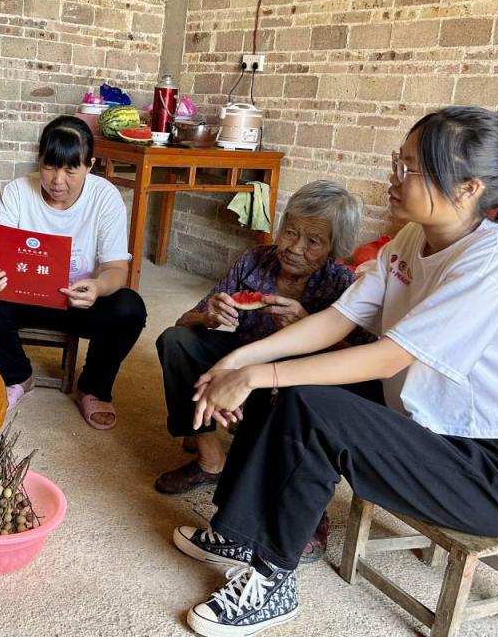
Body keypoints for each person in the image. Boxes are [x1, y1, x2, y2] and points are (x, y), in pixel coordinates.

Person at [172, 106, 498, 637]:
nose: (393, 176)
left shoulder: (497, 257)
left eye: (411, 167)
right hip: (428, 422)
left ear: (468, 188)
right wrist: (238, 361)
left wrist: (257, 376)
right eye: (400, 160)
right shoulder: (411, 240)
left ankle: (273, 578)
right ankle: (239, 534)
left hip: (493, 472)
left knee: (312, 405)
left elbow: (392, 356)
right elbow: (339, 318)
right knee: (295, 383)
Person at [156, 180, 375, 561]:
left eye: (313, 241)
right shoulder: (254, 260)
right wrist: (207, 316)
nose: (294, 247)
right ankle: (210, 461)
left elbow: (360, 363)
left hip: (297, 379)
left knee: (306, 402)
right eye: (290, 231)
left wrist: (308, 328)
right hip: (241, 360)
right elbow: (185, 319)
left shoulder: (342, 285)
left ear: (334, 248)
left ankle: (306, 507)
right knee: (177, 341)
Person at [0, 115, 147, 428]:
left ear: (89, 165)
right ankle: (17, 376)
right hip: (22, 298)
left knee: (130, 308)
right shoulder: (17, 192)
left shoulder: (105, 197)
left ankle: (94, 387)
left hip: (78, 304)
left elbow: (116, 268)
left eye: (70, 169)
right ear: (39, 160)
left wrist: (97, 287)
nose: (57, 180)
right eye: (50, 166)